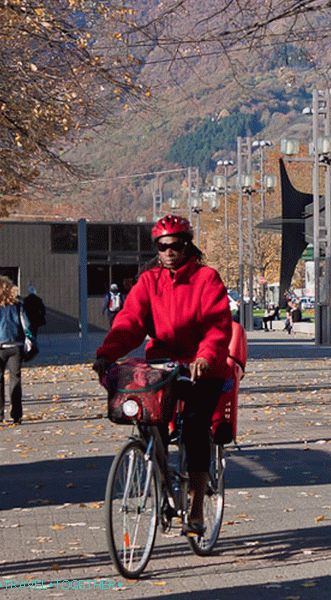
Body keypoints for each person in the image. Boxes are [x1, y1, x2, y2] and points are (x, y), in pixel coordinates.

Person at [92, 214, 232, 537]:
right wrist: (106, 354)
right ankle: (160, 474)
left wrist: (205, 357)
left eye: (176, 245)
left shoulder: (206, 279)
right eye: (162, 246)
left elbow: (217, 325)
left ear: (187, 246)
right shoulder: (149, 282)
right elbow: (129, 322)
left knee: (195, 427)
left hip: (201, 367)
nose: (169, 252)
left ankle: (196, 507)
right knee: (147, 416)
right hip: (163, 365)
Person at [0, 276, 32, 424]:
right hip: (16, 345)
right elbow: (26, 325)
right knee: (15, 379)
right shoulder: (18, 305)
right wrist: (29, 340)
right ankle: (16, 414)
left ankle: (0, 413)